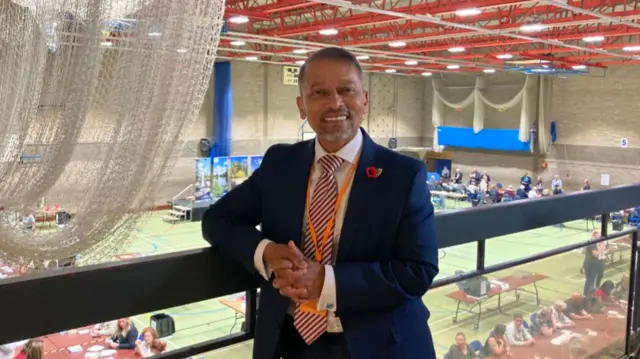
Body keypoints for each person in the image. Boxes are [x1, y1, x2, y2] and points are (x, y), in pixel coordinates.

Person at [202, 47, 439, 359]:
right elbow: (218, 219)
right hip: (289, 342)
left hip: (379, 345)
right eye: (320, 93)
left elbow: (418, 271)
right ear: (302, 106)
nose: (335, 102)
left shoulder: (402, 175)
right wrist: (266, 253)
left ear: (364, 100)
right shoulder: (280, 163)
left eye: (346, 90)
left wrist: (328, 282)